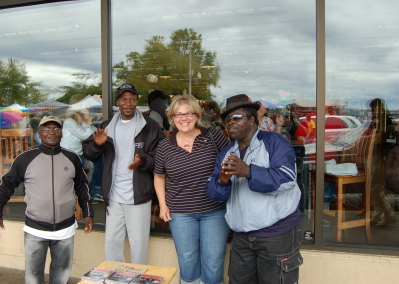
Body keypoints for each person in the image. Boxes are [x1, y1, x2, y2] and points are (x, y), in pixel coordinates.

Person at [206, 94, 303, 284]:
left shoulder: (275, 142)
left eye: (236, 118)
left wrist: (249, 171)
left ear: (252, 119)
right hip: (242, 237)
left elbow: (287, 180)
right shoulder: (227, 151)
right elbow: (213, 194)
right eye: (227, 119)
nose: (230, 123)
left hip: (276, 234)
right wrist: (222, 180)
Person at [0, 115, 94, 284]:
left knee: (60, 276)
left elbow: (82, 187)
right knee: (33, 278)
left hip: (65, 230)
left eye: (56, 129)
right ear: (39, 133)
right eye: (46, 129)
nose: (51, 133)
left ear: (61, 133)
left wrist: (88, 213)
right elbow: (6, 186)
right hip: (35, 230)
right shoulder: (25, 159)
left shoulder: (72, 158)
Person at [82, 83, 165, 264]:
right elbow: (89, 154)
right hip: (114, 196)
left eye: (132, 99)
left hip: (139, 195)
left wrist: (142, 161)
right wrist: (97, 144)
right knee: (112, 245)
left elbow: (161, 157)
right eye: (124, 99)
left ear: (137, 102)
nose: (128, 103)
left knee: (138, 247)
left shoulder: (150, 127)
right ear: (118, 102)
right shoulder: (106, 126)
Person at [154, 94, 230, 284]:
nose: (184, 118)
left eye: (188, 113)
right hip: (180, 213)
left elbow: (232, 161)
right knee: (188, 262)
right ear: (171, 118)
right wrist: (163, 206)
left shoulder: (213, 137)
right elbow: (159, 176)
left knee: (213, 262)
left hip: (214, 210)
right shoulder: (164, 146)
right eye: (178, 115)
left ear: (197, 116)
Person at [60, 110, 103, 202]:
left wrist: (89, 125)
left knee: (91, 168)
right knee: (78, 175)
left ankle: (89, 194)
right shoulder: (70, 122)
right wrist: (88, 124)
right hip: (69, 153)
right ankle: (84, 196)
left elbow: (95, 132)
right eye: (86, 109)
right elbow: (86, 136)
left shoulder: (80, 122)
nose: (87, 111)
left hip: (78, 152)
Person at [367, 98, 397, 227]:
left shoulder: (382, 121)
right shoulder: (382, 119)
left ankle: (388, 214)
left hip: (381, 158)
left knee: (374, 187)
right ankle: (379, 214)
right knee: (375, 188)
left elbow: (378, 139)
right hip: (380, 157)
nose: (373, 111)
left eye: (374, 108)